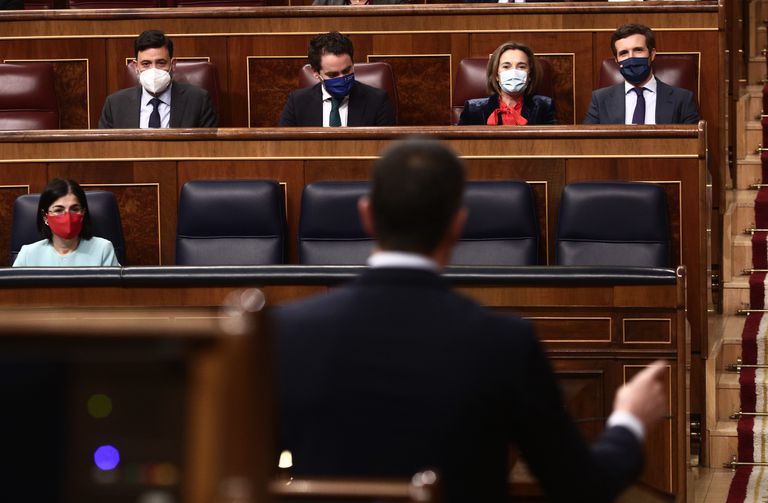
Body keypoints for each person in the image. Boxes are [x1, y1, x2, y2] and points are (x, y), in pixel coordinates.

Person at [274, 138, 667, 503]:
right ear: (458, 224)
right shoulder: (504, 342)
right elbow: (581, 485)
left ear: (366, 215)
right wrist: (629, 421)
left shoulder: (287, 333)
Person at [98, 30, 218, 129]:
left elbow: (207, 149)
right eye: (146, 64)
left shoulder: (199, 101)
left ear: (173, 65)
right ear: (136, 67)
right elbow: (105, 150)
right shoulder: (114, 104)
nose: (153, 69)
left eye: (161, 63)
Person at [584, 23, 699, 125]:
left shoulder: (683, 99)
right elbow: (587, 144)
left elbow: (693, 145)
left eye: (638, 50)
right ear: (617, 60)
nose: (631, 58)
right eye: (624, 53)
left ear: (652, 54)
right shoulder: (600, 100)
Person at [278, 32, 396, 127]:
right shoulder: (297, 102)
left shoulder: (377, 100)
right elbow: (285, 148)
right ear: (315, 72)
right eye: (333, 74)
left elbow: (387, 151)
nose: (342, 78)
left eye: (346, 71)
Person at [13, 178, 120, 267]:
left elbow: (114, 292)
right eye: (58, 210)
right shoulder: (28, 254)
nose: (67, 216)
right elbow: (14, 292)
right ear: (45, 217)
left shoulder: (103, 249)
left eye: (75, 209)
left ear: (83, 213)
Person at [458, 41, 556, 125]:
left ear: (529, 75)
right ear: (496, 75)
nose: (514, 72)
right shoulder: (473, 109)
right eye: (506, 67)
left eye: (521, 67)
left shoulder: (544, 106)